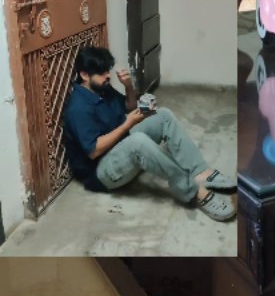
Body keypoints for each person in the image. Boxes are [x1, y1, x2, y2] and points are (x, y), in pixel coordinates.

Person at [63, 46, 236, 221]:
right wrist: (127, 124)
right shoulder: (79, 108)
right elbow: (94, 151)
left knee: (164, 116)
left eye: (107, 70)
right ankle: (194, 190)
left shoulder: (101, 88)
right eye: (101, 72)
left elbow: (129, 105)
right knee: (138, 141)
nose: (108, 75)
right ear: (84, 75)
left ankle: (201, 172)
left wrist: (128, 86)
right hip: (102, 172)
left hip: (119, 146)